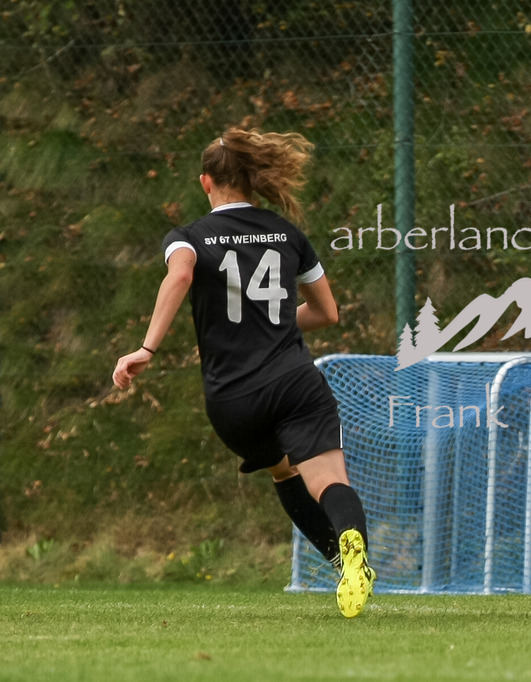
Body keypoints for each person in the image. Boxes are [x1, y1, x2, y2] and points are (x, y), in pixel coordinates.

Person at [112, 127, 375, 617]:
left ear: (206, 182)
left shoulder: (188, 237)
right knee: (328, 479)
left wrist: (147, 348)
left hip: (232, 399)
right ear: (255, 181)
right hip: (297, 381)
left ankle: (341, 567)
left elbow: (182, 274)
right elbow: (326, 313)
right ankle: (352, 548)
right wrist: (272, 323)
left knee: (282, 469)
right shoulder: (288, 234)